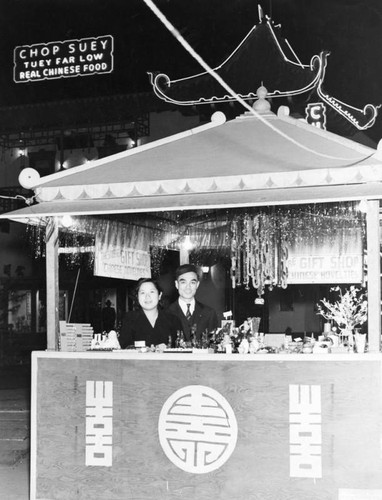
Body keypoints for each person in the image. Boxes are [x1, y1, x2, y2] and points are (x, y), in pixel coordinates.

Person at [119, 278, 182, 349]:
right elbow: (124, 347)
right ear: (137, 296)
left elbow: (180, 347)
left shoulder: (173, 320)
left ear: (159, 295)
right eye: (142, 293)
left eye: (152, 292)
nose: (147, 297)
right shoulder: (129, 319)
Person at [167, 264, 219, 343]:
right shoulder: (166, 313)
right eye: (183, 282)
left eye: (192, 282)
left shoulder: (209, 313)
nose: (188, 287)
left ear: (197, 285)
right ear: (176, 284)